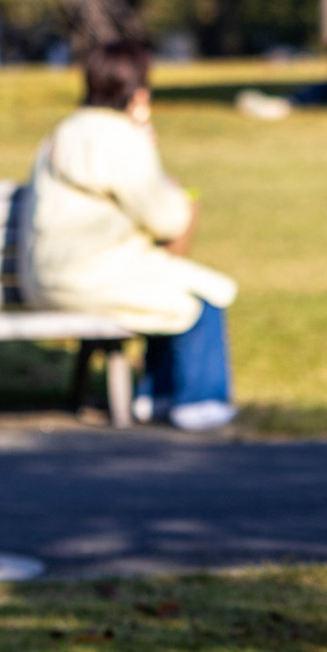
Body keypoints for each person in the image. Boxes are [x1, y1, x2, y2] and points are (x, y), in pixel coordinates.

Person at [23, 40, 239, 431]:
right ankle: (197, 400)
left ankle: (154, 395)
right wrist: (171, 186)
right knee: (203, 297)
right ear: (138, 93)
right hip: (91, 277)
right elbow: (168, 220)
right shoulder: (122, 138)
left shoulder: (65, 131)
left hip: (43, 277)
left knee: (166, 285)